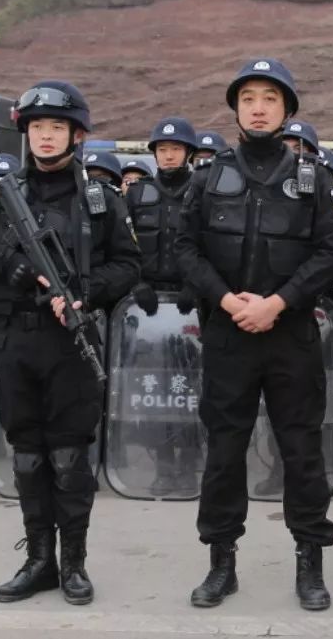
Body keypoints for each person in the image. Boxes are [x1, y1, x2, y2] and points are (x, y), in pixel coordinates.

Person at [0, 81, 140, 605]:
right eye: (37, 128)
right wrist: (16, 265)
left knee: (70, 458)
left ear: (76, 135)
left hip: (72, 344)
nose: (46, 137)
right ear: (25, 133)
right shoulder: (2, 194)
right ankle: (38, 561)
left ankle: (73, 563)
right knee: (27, 454)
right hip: (16, 340)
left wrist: (84, 294)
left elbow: (128, 264)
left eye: (57, 127)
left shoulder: (100, 198)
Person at [175, 58, 333, 612]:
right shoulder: (208, 177)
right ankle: (221, 565)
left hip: (290, 337)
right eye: (248, 97)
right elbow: (183, 249)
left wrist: (278, 302)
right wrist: (228, 301)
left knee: (301, 452)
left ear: (287, 110)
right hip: (229, 338)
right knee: (224, 453)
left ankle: (310, 564)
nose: (257, 106)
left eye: (270, 98)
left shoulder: (312, 178)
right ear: (235, 108)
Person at [125, 116, 202, 495]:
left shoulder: (203, 190)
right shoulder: (137, 194)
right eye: (162, 149)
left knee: (188, 392)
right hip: (149, 309)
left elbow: (211, 245)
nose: (168, 155)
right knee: (154, 394)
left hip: (189, 311)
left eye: (175, 149)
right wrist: (137, 283)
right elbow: (123, 246)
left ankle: (187, 466)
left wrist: (196, 285)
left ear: (188, 152)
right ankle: (162, 465)